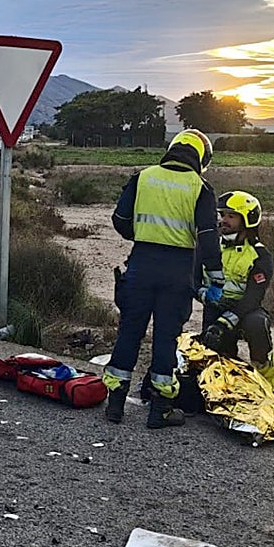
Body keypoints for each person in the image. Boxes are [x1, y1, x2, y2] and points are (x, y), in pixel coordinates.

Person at [104, 128, 222, 428]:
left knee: (129, 331)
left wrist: (140, 235)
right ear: (200, 157)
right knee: (166, 339)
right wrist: (216, 278)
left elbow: (120, 220)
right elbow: (208, 237)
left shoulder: (143, 177)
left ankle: (115, 404)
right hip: (178, 270)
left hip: (141, 263)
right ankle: (160, 410)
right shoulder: (201, 187)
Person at [199, 191, 274, 388]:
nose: (223, 220)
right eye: (222, 215)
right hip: (215, 306)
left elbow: (253, 297)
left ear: (248, 219)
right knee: (215, 353)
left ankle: (268, 385)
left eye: (231, 216)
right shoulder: (210, 248)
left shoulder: (260, 256)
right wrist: (205, 295)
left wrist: (224, 322)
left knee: (257, 324)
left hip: (245, 309)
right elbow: (193, 280)